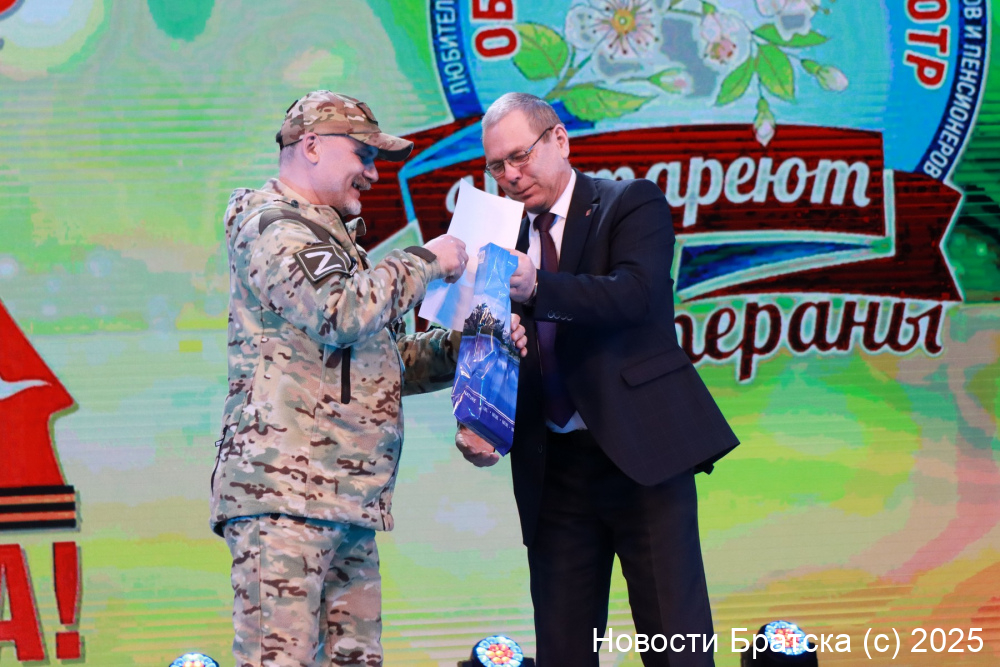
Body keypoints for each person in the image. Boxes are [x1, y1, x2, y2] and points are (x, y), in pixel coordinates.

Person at [455, 93, 739, 667]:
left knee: (677, 644)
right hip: (552, 469)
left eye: (520, 156)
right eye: (496, 166)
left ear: (559, 139)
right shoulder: (496, 237)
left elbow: (635, 296)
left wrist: (539, 286)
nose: (511, 176)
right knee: (564, 650)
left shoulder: (629, 203)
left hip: (642, 457)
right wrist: (477, 419)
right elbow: (484, 342)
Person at [209, 90, 491, 667]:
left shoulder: (333, 239)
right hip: (285, 500)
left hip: (345, 500)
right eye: (363, 154)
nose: (373, 172)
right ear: (311, 145)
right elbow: (338, 312)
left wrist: (471, 345)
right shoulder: (273, 225)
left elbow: (383, 363)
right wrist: (426, 261)